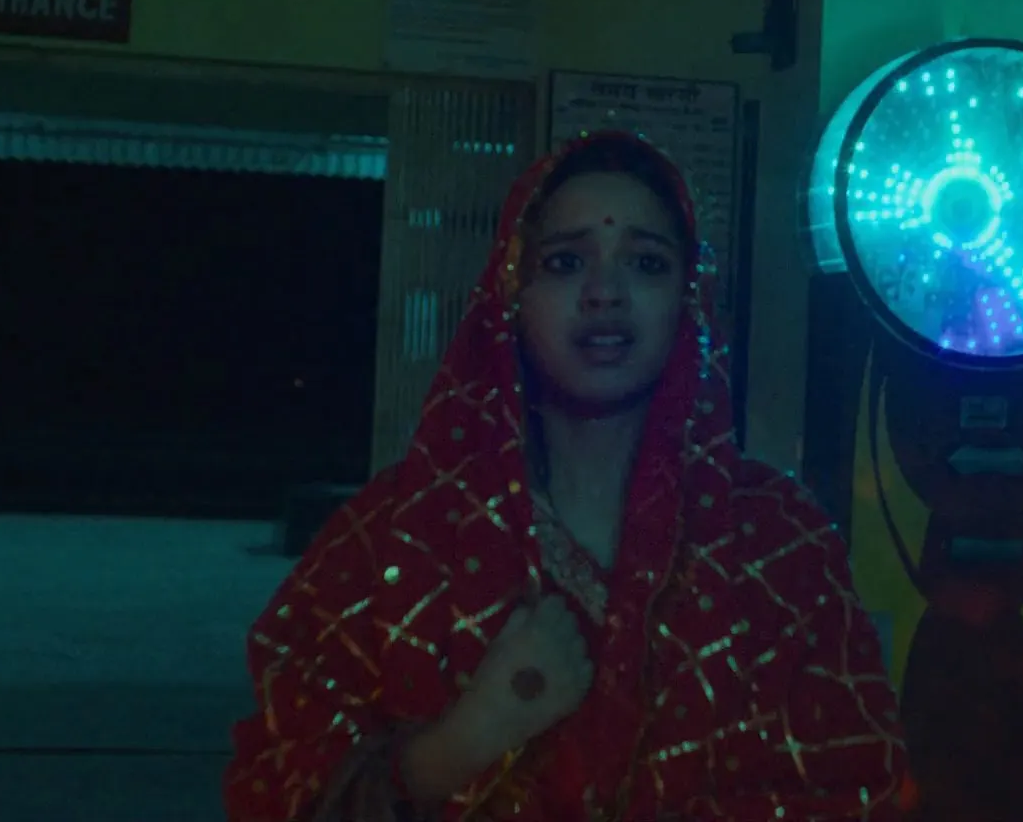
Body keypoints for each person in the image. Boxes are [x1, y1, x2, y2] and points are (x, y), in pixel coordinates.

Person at [224, 132, 910, 821]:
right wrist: (469, 736)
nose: (605, 292)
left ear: (689, 298)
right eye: (565, 262)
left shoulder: (777, 539)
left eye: (645, 262)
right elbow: (280, 791)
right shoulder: (395, 535)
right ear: (511, 295)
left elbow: (857, 786)